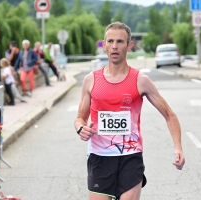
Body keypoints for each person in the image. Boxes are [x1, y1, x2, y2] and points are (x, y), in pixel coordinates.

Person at [74, 22, 185, 200]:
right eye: (110, 41)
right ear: (104, 45)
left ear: (129, 45)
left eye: (120, 41)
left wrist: (178, 147)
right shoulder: (91, 80)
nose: (115, 46)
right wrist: (81, 128)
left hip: (130, 156)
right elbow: (80, 118)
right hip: (99, 156)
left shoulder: (140, 80)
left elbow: (169, 114)